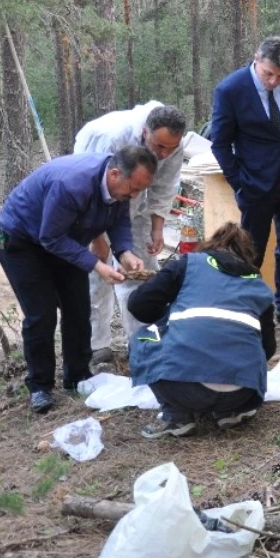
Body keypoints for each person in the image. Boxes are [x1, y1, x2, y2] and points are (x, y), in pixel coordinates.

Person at [0, 146, 157, 413]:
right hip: (22, 241)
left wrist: (124, 252)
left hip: (64, 240)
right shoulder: (72, 185)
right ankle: (40, 387)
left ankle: (77, 376)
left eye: (140, 190)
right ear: (115, 174)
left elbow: (119, 221)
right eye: (133, 189)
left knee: (78, 309)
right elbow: (50, 237)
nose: (134, 196)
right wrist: (97, 266)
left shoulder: (121, 185)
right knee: (42, 314)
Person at [127, 222, 276, 439]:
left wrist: (168, 316)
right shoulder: (258, 285)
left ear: (211, 246)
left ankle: (176, 416)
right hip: (243, 393)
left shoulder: (190, 264)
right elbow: (268, 349)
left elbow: (138, 304)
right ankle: (230, 412)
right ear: (247, 257)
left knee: (141, 337)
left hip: (186, 389)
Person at [211, 36, 280, 322]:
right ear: (256, 59)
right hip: (255, 182)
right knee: (251, 250)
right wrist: (239, 181)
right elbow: (220, 144)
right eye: (268, 74)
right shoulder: (230, 90)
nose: (274, 81)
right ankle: (247, 311)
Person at [74, 102, 188, 364]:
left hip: (135, 205)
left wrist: (157, 227)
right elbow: (90, 190)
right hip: (96, 203)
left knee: (139, 270)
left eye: (171, 148)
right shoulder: (110, 138)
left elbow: (164, 186)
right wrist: (98, 238)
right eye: (159, 147)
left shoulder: (173, 144)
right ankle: (97, 344)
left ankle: (141, 341)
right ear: (145, 132)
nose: (164, 154)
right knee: (99, 272)